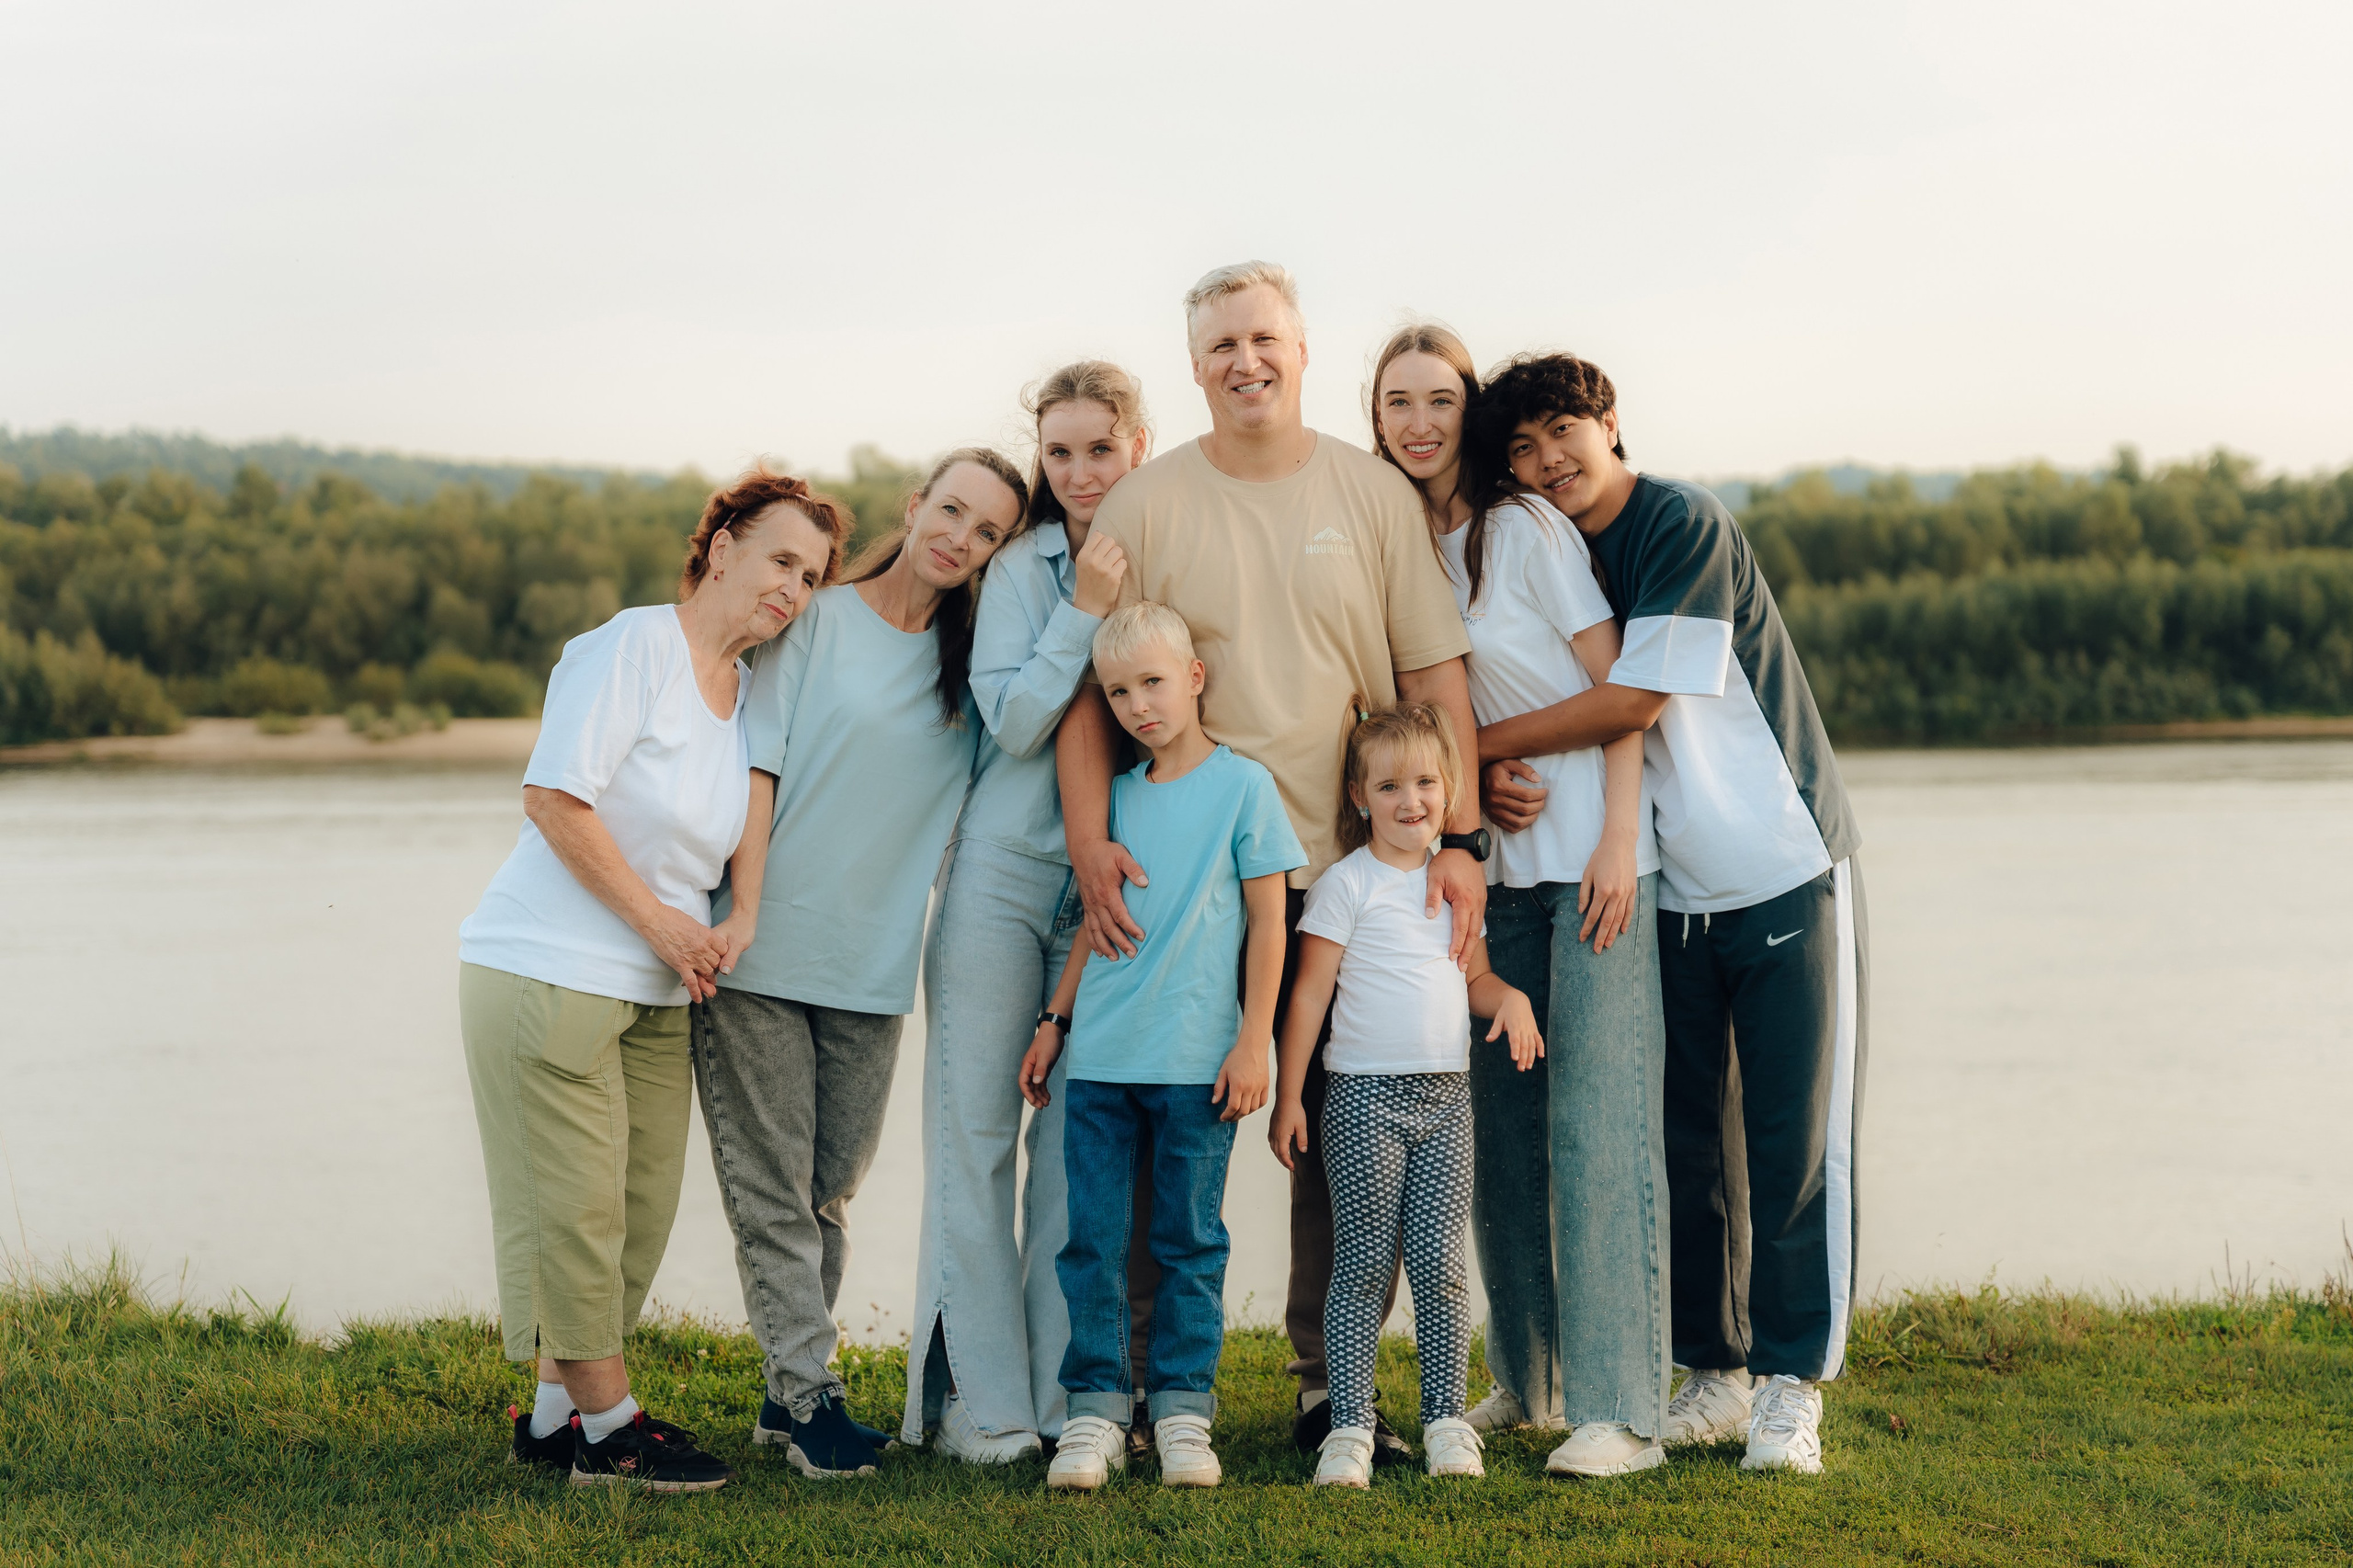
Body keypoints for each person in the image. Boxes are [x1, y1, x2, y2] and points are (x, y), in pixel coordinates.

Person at [1055, 262, 1483, 1463]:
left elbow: (1431, 677)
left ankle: (1323, 1384)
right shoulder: (1143, 502)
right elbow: (1098, 696)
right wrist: (1092, 842)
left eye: (1265, 338)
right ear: (1194, 368)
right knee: (1161, 1115)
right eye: (1222, 344)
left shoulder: (1371, 493)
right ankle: (1140, 1387)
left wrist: (1456, 843)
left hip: (1348, 864)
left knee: (1329, 1132)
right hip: (1185, 874)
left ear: (1300, 351)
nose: (1246, 360)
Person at [1469, 353, 1868, 1475]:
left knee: (1791, 1141)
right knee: (1688, 1145)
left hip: (1783, 865)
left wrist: (1472, 749)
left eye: (1562, 433)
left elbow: (1637, 698)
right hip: (1670, 887)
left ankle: (1794, 1389)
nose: (1548, 462)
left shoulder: (1676, 519)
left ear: (1607, 421)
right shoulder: (1555, 542)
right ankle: (1717, 1370)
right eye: (1522, 451)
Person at [456, 465, 849, 1492]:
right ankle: (613, 1428)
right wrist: (666, 926)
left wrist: (730, 922)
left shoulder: (747, 691)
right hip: (549, 970)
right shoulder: (634, 645)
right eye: (778, 559)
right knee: (575, 1210)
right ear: (721, 547)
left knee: (636, 1206)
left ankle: (552, 1416)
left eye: (809, 575)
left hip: (655, 986)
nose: (790, 588)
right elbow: (554, 798)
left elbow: (745, 819)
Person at [1370, 325, 1674, 1478]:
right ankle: (1530, 1379)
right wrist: (1468, 778)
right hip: (1491, 877)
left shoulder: (1526, 528)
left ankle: (1622, 1411)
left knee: (1596, 1128)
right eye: (1397, 402)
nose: (1419, 423)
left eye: (1440, 399)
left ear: (1469, 415)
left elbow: (1625, 694)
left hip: (1594, 864)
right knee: (1502, 1134)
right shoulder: (1405, 546)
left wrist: (1613, 841)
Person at [699, 448, 1029, 1480]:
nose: (960, 539)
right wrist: (742, 908)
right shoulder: (817, 618)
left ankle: (782, 1388)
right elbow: (757, 768)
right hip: (759, 950)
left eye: (986, 533)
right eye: (952, 511)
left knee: (829, 1187)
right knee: (772, 1191)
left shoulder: (973, 669)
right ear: (914, 503)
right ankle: (811, 1398)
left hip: (876, 966)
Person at [901, 363, 1146, 1462]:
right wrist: (1085, 612)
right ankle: (981, 1406)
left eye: (1100, 448)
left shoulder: (1173, 545)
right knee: (975, 1137)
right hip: (1003, 874)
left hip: (1114, 887)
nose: (1080, 471)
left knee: (1073, 1156)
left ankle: (1063, 1401)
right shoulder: (1018, 569)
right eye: (1059, 452)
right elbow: (1011, 722)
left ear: (1138, 446)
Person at [1019, 602, 1304, 1492]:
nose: (1138, 702)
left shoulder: (1244, 788)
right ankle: (1096, 1411)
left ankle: (1183, 1410)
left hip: (1195, 1062)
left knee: (1188, 1240)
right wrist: (1054, 1018)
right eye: (1118, 690)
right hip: (1101, 1057)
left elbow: (1270, 923)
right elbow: (1094, 921)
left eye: (1152, 680)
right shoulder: (1115, 800)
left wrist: (1254, 1037)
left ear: (1193, 676)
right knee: (1091, 1240)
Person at [1267, 702, 1545, 1488]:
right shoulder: (1343, 888)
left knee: (1441, 1265)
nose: (1410, 800)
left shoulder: (1456, 886)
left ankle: (1446, 1421)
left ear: (1449, 790)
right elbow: (1308, 1000)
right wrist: (1292, 1098)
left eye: (1426, 782)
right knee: (1360, 1264)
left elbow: (1477, 977)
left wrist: (1512, 1001)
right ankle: (1349, 1426)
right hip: (1360, 1100)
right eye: (1389, 786)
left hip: (1446, 1102)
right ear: (1361, 798)